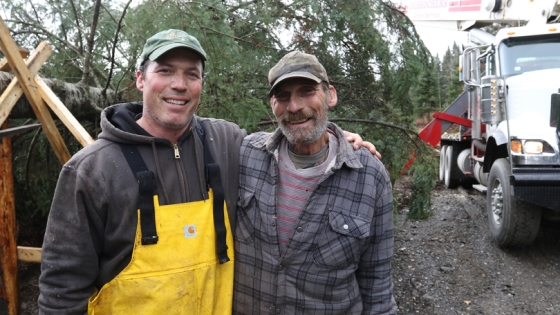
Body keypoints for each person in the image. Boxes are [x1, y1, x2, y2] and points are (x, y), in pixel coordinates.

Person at [38, 30, 377, 314]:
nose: (179, 84)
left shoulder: (227, 142)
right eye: (166, 70)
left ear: (201, 83)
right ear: (140, 79)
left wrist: (337, 140)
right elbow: (61, 290)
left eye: (191, 74)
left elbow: (292, 137)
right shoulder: (90, 170)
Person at [233, 51, 397, 314]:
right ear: (273, 104)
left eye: (307, 91)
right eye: (282, 96)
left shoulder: (369, 175)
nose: (294, 106)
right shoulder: (244, 155)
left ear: (330, 95)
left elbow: (377, 283)